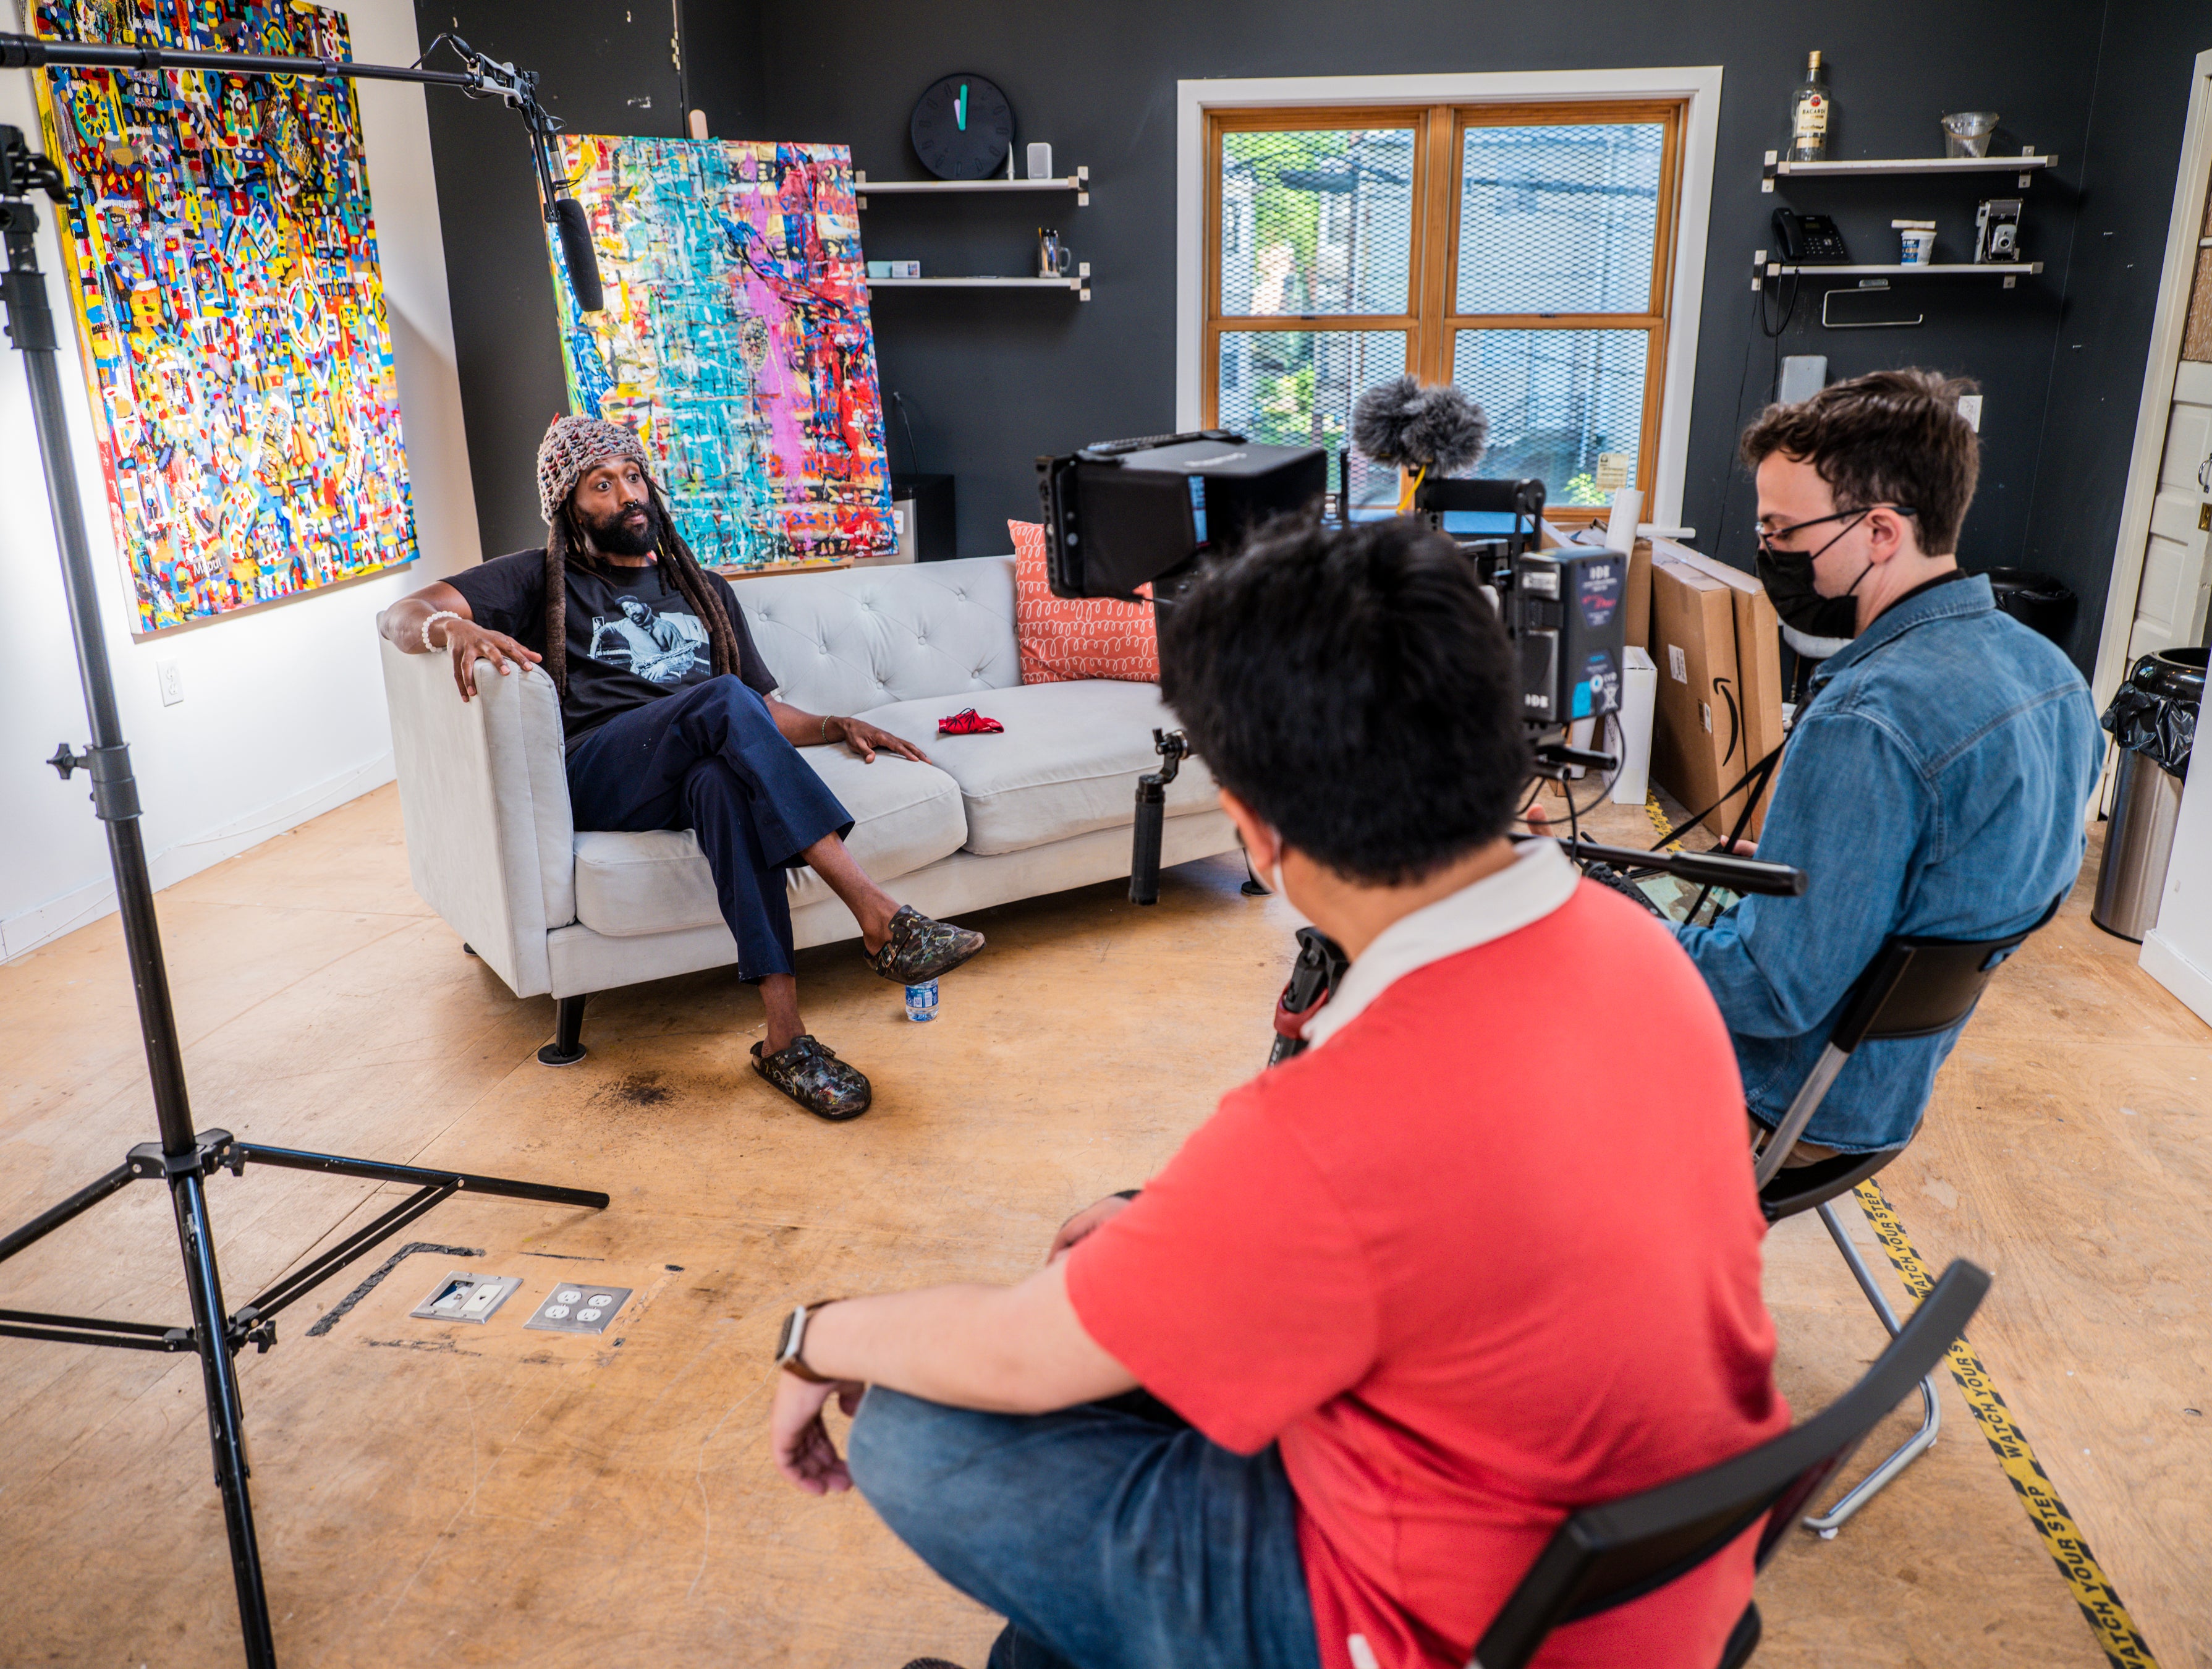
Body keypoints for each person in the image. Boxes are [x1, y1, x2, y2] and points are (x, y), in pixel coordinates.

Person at [764, 517, 1787, 1669]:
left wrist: (815, 1337)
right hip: (1640, 1579)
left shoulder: (1338, 1123)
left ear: (1252, 832)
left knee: (918, 1427)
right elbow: (1452, 1225)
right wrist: (1174, 1228)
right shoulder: (1637, 943)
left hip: (1442, 1630)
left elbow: (1020, 1356)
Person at [378, 415, 986, 1119]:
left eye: (633, 477)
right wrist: (451, 625)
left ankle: (785, 1038)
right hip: (601, 771)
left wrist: (832, 725)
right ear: (568, 506)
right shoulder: (539, 577)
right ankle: (878, 916)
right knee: (720, 701)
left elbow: (759, 712)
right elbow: (399, 616)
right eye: (601, 484)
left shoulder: (703, 590)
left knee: (722, 785)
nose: (627, 495)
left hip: (689, 762)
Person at [1679, 370, 2102, 1160]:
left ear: (1880, 532)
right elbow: (1990, 892)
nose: (1767, 552)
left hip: (1776, 1106)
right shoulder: (2053, 677)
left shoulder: (1865, 720)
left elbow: (1774, 990)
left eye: (1780, 531)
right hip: (1883, 1093)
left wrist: (1620, 929)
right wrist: (1830, 876)